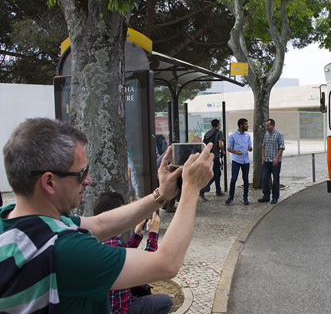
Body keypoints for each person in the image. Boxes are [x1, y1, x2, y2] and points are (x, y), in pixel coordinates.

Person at [0, 117, 213, 313]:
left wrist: (161, 195)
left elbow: (100, 224)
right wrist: (191, 188)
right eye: (81, 173)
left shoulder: (16, 220)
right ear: (49, 182)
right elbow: (166, 263)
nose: (88, 180)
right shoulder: (61, 252)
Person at [93, 192, 173, 313]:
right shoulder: (112, 244)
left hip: (108, 306)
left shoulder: (99, 238)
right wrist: (153, 233)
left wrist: (137, 234)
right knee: (166, 302)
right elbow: (147, 268)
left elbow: (125, 256)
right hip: (121, 308)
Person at [226, 118, 253, 205]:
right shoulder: (233, 136)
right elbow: (229, 148)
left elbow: (250, 147)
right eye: (246, 124)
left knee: (246, 179)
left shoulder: (247, 136)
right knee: (234, 178)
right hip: (236, 160)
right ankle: (230, 197)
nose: (247, 126)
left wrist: (250, 148)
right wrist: (235, 151)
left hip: (246, 160)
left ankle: (245, 198)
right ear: (241, 125)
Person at [258, 119, 285, 204]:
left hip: (275, 161)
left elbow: (282, 147)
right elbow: (263, 145)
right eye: (266, 125)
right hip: (267, 161)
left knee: (275, 179)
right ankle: (266, 196)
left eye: (268, 125)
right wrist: (263, 157)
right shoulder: (266, 134)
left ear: (273, 125)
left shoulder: (279, 134)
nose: (267, 127)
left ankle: (275, 197)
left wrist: (277, 158)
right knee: (264, 179)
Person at [200, 119, 225, 201]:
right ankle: (202, 190)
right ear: (218, 124)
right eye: (220, 124)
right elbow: (220, 144)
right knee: (214, 175)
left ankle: (218, 190)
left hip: (208, 157)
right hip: (215, 156)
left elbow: (204, 145)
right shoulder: (219, 132)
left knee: (218, 174)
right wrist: (223, 151)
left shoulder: (207, 133)